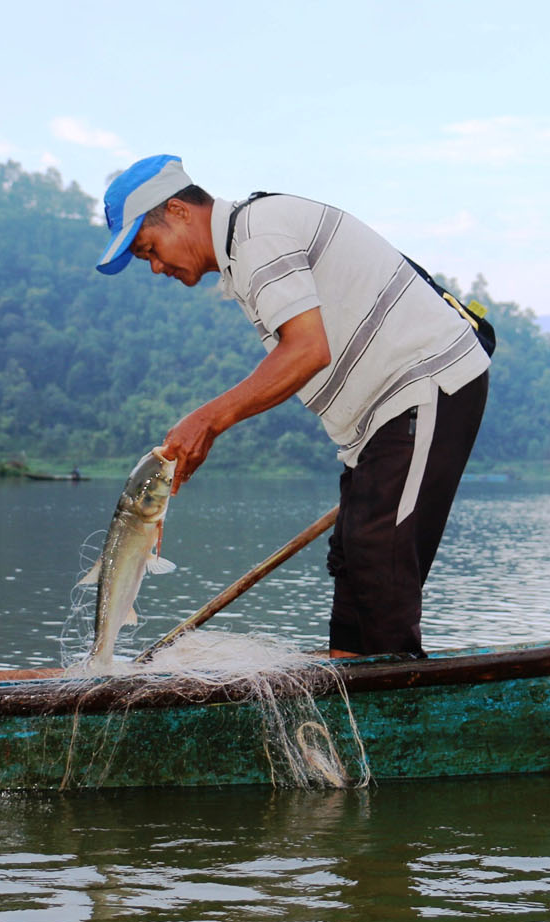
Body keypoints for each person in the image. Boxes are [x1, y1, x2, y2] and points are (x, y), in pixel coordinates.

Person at [96, 155, 490, 658]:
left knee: (378, 555)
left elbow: (306, 350)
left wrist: (207, 420)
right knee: (353, 560)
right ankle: (349, 695)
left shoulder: (258, 235)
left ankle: (401, 711)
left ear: (178, 210)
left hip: (426, 383)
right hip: (372, 425)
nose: (155, 267)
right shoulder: (244, 252)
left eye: (149, 249)